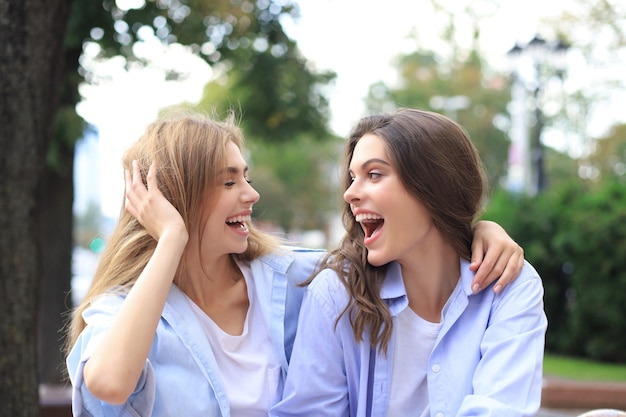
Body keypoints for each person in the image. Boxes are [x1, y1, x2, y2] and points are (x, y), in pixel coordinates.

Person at [64, 111, 525, 417]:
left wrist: (474, 231)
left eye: (246, 176)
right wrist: (171, 239)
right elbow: (108, 383)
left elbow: (402, 252)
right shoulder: (123, 311)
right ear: (176, 197)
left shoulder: (296, 280)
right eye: (229, 181)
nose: (251, 194)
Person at [271, 109, 547, 417]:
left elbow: (499, 410)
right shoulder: (336, 293)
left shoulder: (509, 286)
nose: (350, 193)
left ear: (434, 185)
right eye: (352, 178)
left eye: (374, 174)